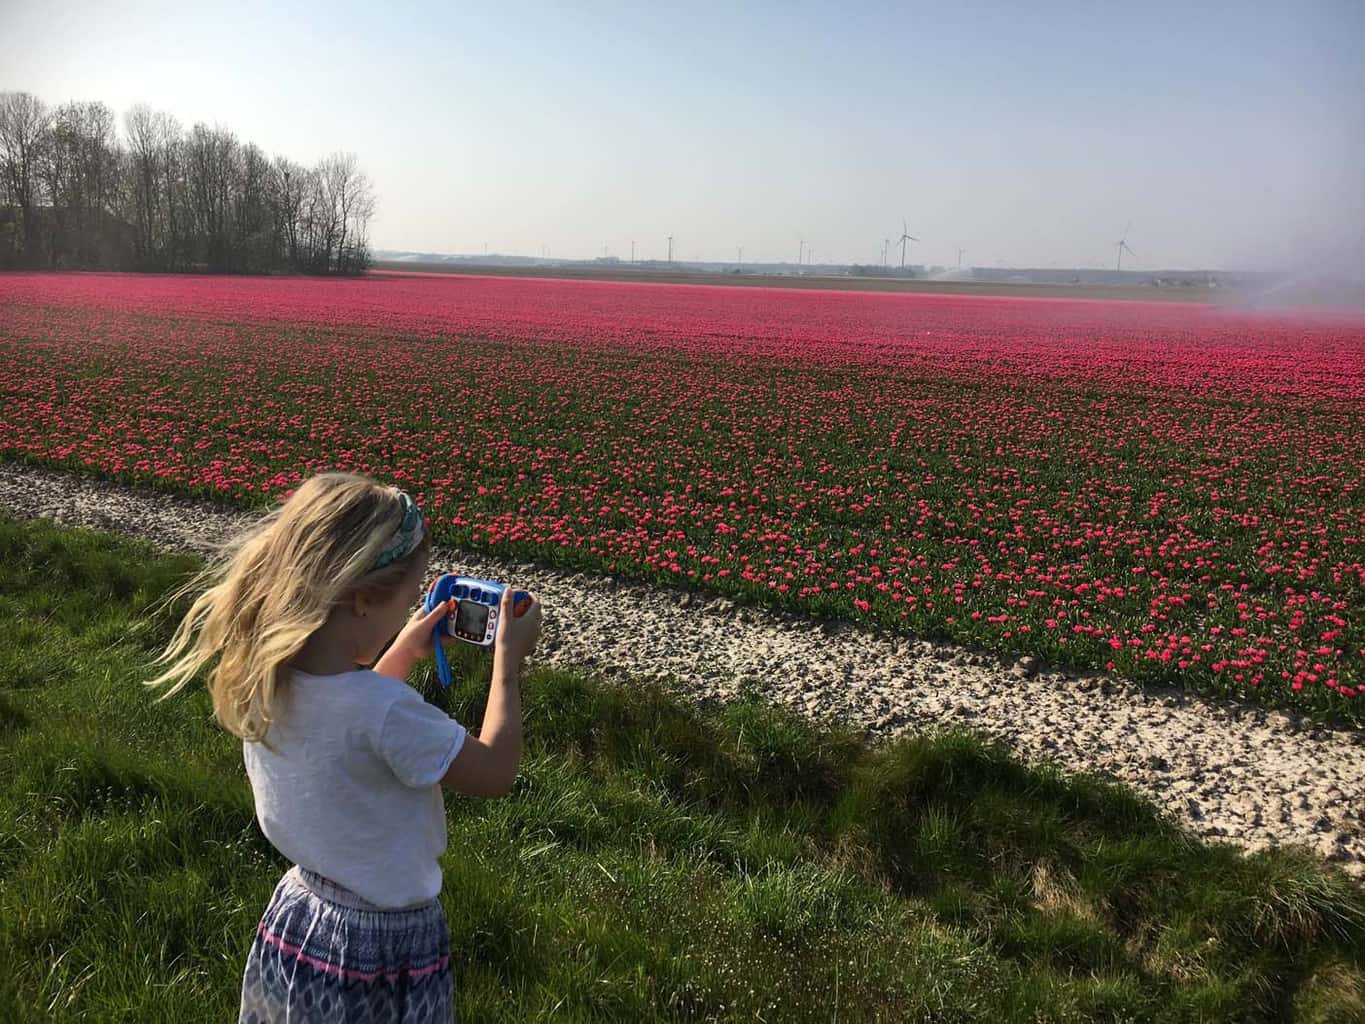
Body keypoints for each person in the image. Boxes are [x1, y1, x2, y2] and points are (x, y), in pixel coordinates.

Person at [143, 471, 542, 1022]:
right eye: (405, 600)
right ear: (360, 601)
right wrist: (508, 667)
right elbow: (495, 771)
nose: (407, 613)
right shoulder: (385, 713)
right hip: (384, 945)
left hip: (301, 917)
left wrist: (404, 647)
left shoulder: (271, 678)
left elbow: (354, 715)